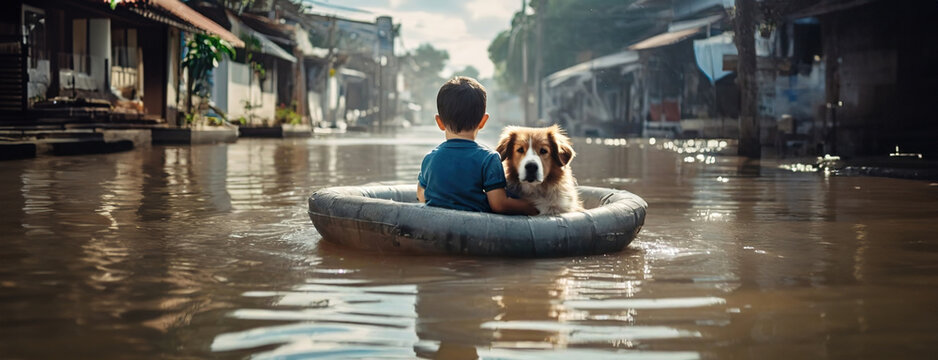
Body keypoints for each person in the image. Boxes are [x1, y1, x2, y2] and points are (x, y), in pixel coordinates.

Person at [417, 77, 538, 215]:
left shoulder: (430, 158)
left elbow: (421, 195)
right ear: (483, 121)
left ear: (439, 122)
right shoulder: (489, 158)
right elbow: (499, 204)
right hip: (476, 230)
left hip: (436, 227)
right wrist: (532, 206)